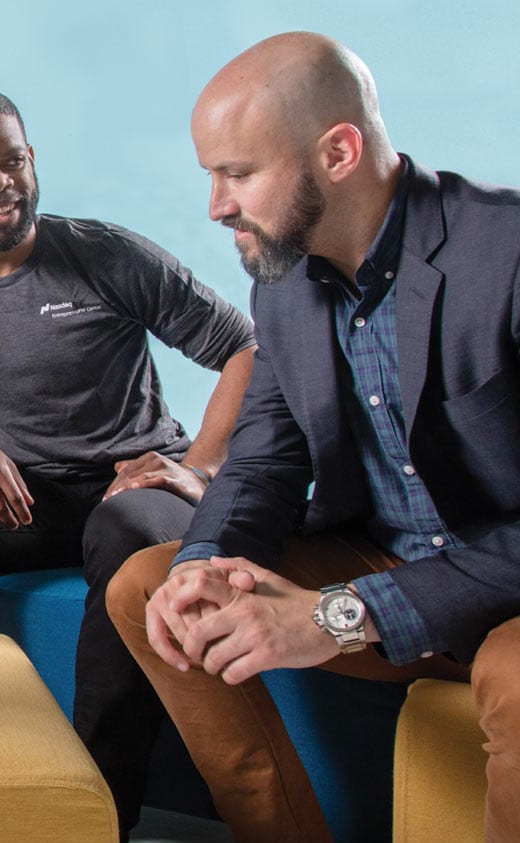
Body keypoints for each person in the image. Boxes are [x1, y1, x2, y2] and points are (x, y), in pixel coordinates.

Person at [107, 31, 520, 840]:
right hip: (386, 560)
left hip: (505, 587)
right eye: (212, 177)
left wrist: (340, 612)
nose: (217, 205)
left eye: (239, 172)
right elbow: (260, 463)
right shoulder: (286, 289)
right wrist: (200, 567)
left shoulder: (505, 252)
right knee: (153, 589)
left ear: (338, 151)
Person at [0, 86, 256, 833]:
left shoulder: (105, 255)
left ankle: (95, 807)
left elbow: (247, 348)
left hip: (137, 486)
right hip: (31, 496)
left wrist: (205, 468)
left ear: (32, 162)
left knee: (118, 536)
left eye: (13, 161)